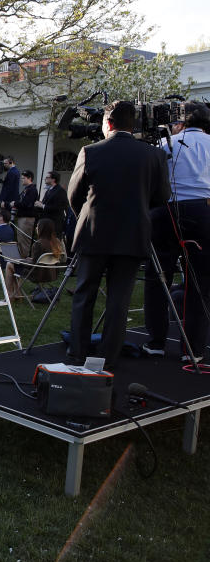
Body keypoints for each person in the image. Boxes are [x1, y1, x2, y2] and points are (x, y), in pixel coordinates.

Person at [68, 100, 170, 369]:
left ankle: (78, 353)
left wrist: (87, 215)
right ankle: (106, 359)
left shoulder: (90, 151)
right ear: (132, 124)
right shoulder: (154, 155)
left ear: (108, 123)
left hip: (94, 233)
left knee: (84, 295)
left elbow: (74, 195)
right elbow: (162, 197)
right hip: (132, 234)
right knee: (119, 300)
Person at [144, 101, 210, 363]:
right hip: (203, 212)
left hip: (166, 211)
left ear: (180, 122)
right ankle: (192, 350)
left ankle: (156, 342)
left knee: (158, 277)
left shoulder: (164, 146)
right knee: (200, 283)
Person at [4, 218, 64, 300]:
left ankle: (10, 295)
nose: (36, 228)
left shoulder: (38, 244)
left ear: (41, 229)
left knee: (10, 264)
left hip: (38, 275)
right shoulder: (56, 243)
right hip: (52, 274)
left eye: (37, 226)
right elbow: (40, 260)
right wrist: (30, 259)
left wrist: (21, 261)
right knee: (14, 265)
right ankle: (17, 294)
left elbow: (32, 265)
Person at [12, 170, 39, 256]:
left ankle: (25, 260)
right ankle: (21, 258)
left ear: (29, 178)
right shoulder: (26, 189)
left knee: (24, 240)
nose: (21, 180)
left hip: (27, 218)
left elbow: (27, 204)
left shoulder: (32, 190)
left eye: (23, 178)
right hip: (22, 217)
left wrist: (15, 203)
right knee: (20, 240)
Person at [36, 170, 69, 238]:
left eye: (47, 177)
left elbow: (58, 207)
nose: (45, 179)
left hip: (55, 223)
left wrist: (43, 206)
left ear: (53, 179)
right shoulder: (49, 190)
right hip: (46, 222)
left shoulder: (60, 191)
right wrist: (40, 204)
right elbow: (46, 203)